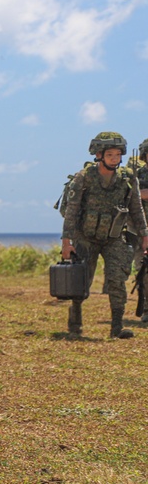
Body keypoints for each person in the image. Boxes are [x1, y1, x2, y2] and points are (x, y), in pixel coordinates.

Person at [61, 132, 148, 339]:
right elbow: (72, 211)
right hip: (86, 238)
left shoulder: (127, 179)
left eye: (118, 155)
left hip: (114, 238)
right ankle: (75, 325)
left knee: (117, 281)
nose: (114, 159)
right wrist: (66, 242)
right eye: (110, 155)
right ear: (99, 154)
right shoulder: (84, 177)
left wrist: (145, 235)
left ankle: (117, 327)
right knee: (82, 281)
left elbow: (137, 210)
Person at [131, 139, 148, 321]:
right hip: (141, 231)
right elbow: (132, 196)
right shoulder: (136, 175)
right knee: (143, 271)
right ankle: (146, 309)